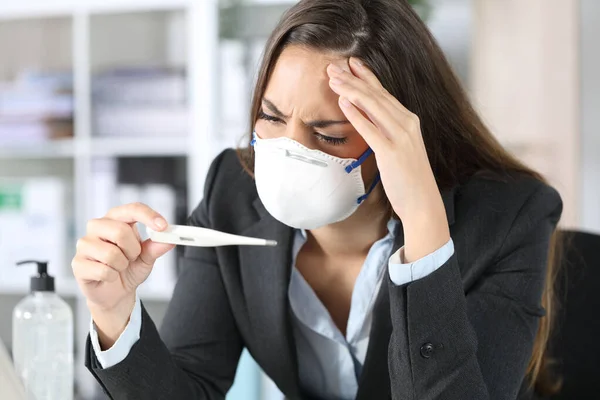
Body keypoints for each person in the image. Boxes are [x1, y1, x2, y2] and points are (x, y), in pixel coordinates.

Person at [71, 0, 563, 399]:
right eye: (271, 117)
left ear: (405, 133)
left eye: (328, 136)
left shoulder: (510, 217)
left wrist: (424, 229)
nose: (291, 153)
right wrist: (114, 313)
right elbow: (190, 386)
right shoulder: (232, 190)